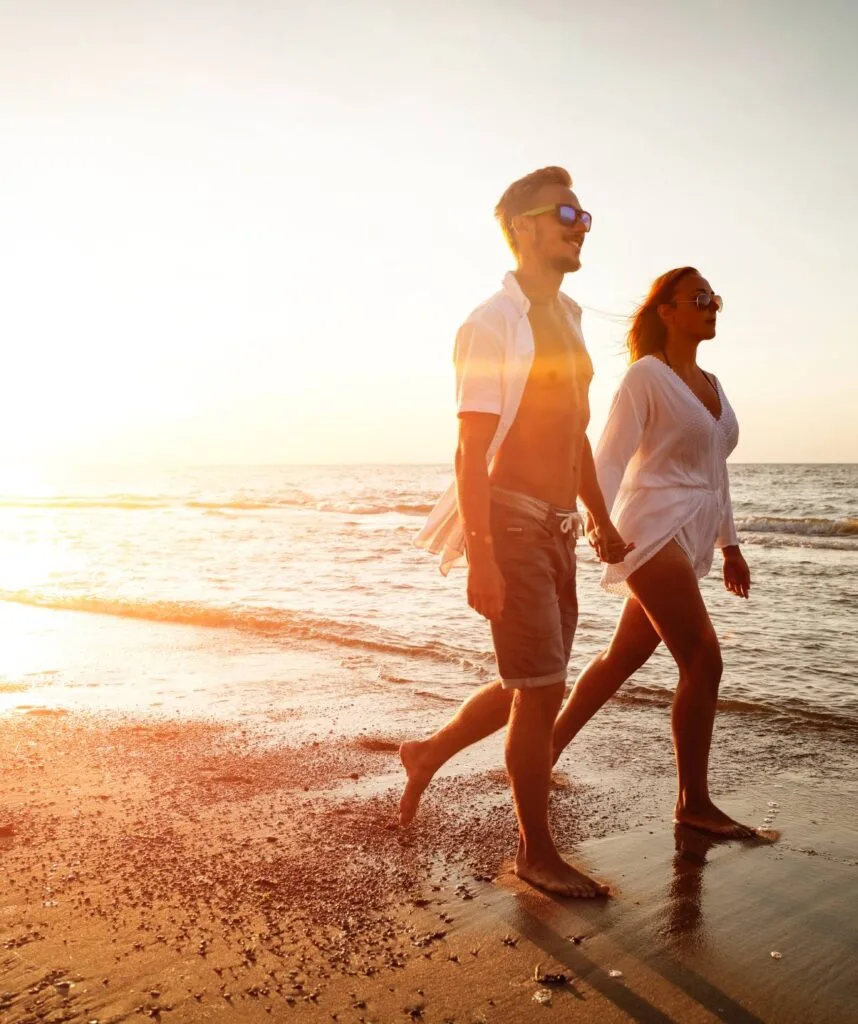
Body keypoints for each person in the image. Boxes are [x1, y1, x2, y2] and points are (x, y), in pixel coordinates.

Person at [400, 166, 631, 898]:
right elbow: (471, 447)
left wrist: (599, 513)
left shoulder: (571, 316)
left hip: (559, 526)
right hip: (512, 522)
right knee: (540, 689)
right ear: (524, 226)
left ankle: (428, 750)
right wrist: (484, 557)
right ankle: (536, 854)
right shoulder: (492, 323)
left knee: (531, 680)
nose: (580, 225)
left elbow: (576, 431)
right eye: (567, 212)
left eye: (585, 214)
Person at [551, 266, 756, 839]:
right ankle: (693, 802)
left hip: (692, 537)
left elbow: (716, 475)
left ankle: (542, 753)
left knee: (621, 658)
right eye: (698, 298)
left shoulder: (713, 383)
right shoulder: (647, 375)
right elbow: (608, 457)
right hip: (647, 530)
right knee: (703, 659)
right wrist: (599, 521)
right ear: (665, 310)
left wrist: (730, 546)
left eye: (715, 297)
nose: (710, 306)